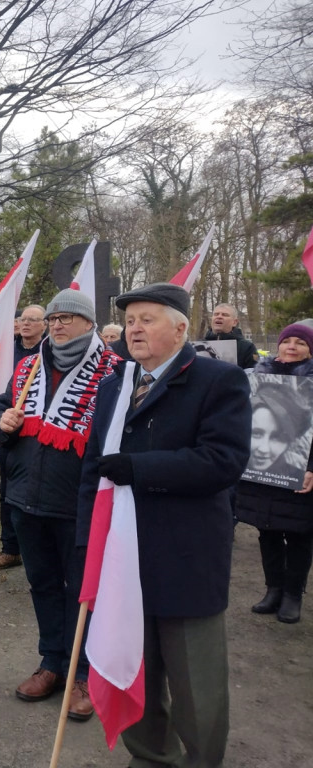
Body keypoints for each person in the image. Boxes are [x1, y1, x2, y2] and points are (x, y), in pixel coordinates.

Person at [78, 282, 251, 768]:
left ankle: (200, 761)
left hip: (185, 557)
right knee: (138, 670)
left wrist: (142, 468)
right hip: (121, 560)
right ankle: (151, 757)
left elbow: (223, 461)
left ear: (179, 328)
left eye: (147, 319)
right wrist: (84, 547)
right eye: (130, 320)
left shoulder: (218, 381)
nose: (134, 328)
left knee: (196, 686)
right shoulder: (115, 385)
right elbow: (94, 469)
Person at [0, 289, 119, 720]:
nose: (57, 325)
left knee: (83, 593)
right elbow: (1, 411)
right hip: (26, 499)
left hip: (81, 503)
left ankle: (84, 673)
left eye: (67, 317)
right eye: (53, 318)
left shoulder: (114, 372)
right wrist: (1, 423)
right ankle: (52, 662)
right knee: (43, 585)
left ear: (89, 324)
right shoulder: (28, 366)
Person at [237, 322, 313, 623]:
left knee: (299, 534)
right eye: (287, 341)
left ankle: (293, 595)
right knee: (266, 530)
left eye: (300, 343)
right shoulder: (254, 377)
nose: (291, 346)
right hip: (262, 469)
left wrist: (311, 469)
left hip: (300, 471)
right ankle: (273, 589)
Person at [0, 303, 47, 571]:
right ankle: (10, 548)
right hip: (9, 426)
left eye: (33, 320)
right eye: (23, 319)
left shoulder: (49, 352)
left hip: (42, 433)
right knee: (8, 491)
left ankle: (40, 550)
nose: (25, 324)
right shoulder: (6, 350)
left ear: (44, 325)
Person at [205, 303, 259, 369]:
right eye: (216, 314)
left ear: (234, 322)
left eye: (225, 315)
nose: (219, 316)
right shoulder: (200, 345)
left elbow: (254, 372)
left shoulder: (247, 347)